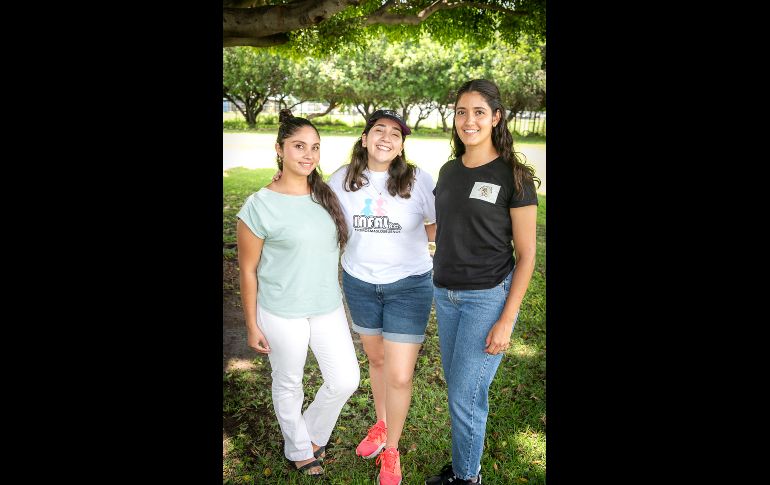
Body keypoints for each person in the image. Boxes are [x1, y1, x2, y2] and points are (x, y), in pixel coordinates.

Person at [424, 80, 541, 484]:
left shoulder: (514, 176)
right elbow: (443, 226)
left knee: (465, 396)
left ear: (495, 118)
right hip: (446, 293)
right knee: (460, 390)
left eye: (478, 112)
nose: (468, 120)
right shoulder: (449, 171)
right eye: (461, 112)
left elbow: (526, 255)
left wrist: (507, 319)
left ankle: (467, 477)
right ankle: (462, 468)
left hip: (486, 298)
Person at [236, 109, 360, 476]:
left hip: (326, 305)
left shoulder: (327, 194)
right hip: (280, 310)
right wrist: (251, 324)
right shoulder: (258, 206)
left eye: (315, 148)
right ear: (279, 150)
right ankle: (298, 448)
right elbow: (247, 270)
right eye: (298, 146)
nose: (308, 155)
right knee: (288, 382)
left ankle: (310, 433)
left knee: (346, 379)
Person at [328, 109, 437, 485]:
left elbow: (436, 220)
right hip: (359, 283)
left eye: (396, 133)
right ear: (365, 138)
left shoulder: (418, 179)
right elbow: (323, 218)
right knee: (376, 360)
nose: (386, 137)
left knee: (400, 375)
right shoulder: (342, 179)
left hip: (408, 285)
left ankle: (391, 450)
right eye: (379, 130)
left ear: (402, 145)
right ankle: (381, 424)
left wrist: (430, 244)